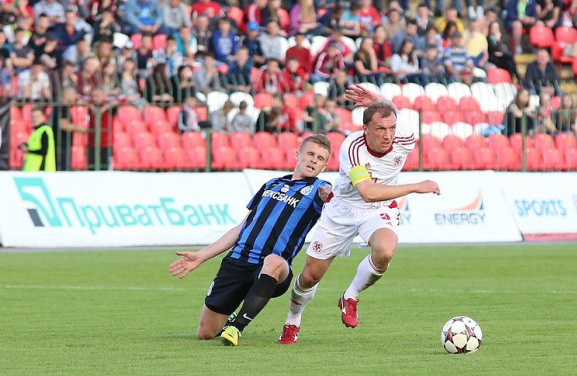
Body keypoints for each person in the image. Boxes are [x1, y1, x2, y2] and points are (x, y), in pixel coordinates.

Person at [277, 85, 441, 344]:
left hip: (379, 208)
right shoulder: (353, 147)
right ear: (365, 129)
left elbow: (375, 198)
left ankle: (350, 296)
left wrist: (379, 100)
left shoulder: (405, 138)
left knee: (385, 251)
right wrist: (415, 186)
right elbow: (367, 192)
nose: (388, 135)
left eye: (391, 128)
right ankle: (292, 319)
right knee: (310, 276)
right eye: (380, 129)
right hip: (343, 209)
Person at [169, 134, 332, 346]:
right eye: (310, 154)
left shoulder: (319, 190)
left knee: (274, 260)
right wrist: (202, 256)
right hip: (237, 261)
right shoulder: (272, 184)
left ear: (324, 166)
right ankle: (229, 319)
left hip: (274, 269)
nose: (313, 160)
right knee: (205, 333)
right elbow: (243, 226)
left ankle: (237, 327)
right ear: (298, 154)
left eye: (320, 158)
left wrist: (330, 198)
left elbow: (333, 202)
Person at [22, 107, 56, 172]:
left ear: (43, 117)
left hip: (42, 169)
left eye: (37, 116)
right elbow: (35, 146)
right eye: (33, 117)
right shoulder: (37, 131)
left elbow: (44, 150)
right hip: (34, 169)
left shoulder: (45, 130)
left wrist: (28, 151)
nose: (34, 119)